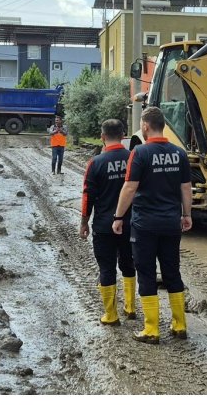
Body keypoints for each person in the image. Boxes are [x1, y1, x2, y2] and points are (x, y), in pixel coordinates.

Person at [113, 106, 192, 344]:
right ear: (164, 125)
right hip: (170, 223)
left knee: (146, 273)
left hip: (145, 224)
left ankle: (151, 330)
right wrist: (186, 214)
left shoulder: (140, 153)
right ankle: (179, 326)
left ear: (146, 126)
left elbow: (129, 187)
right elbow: (186, 188)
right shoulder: (179, 154)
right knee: (172, 271)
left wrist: (118, 217)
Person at [80, 118, 136, 325]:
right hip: (130, 224)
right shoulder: (133, 158)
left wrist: (84, 222)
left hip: (104, 225)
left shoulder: (95, 163)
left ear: (103, 137)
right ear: (123, 136)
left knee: (107, 267)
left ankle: (111, 315)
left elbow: (88, 196)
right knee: (129, 264)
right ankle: (130, 307)